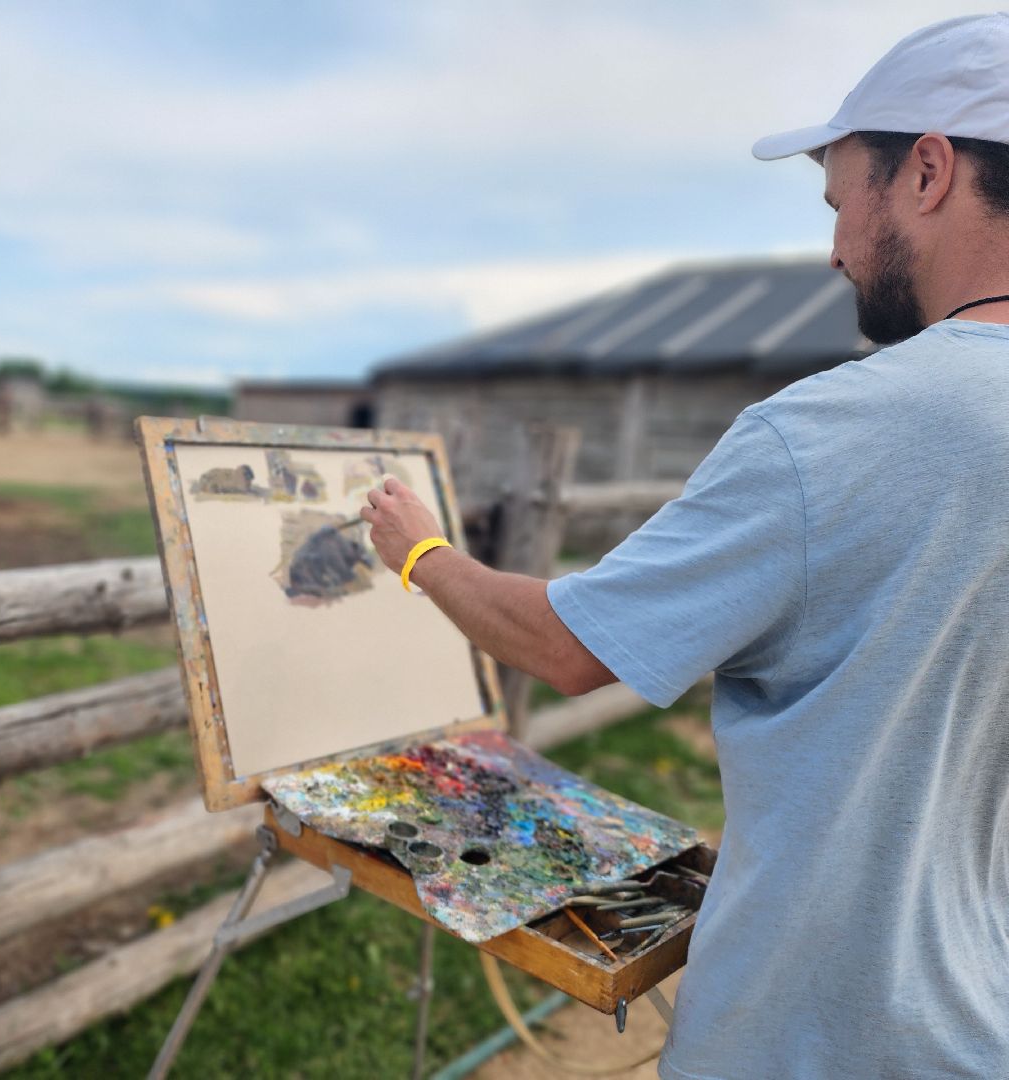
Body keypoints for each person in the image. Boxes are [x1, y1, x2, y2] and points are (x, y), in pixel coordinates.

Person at [360, 14, 1009, 1079]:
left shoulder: (827, 432)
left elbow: (569, 648)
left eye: (842, 205)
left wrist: (422, 553)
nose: (836, 251)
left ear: (928, 172)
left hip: (807, 1036)